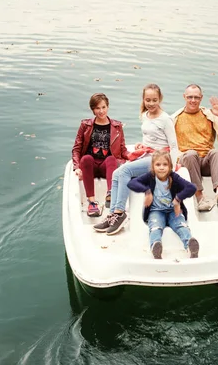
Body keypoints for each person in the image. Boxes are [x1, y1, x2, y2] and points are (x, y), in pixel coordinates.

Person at [94, 84, 180, 235]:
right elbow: (151, 137)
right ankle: (113, 214)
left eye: (154, 100)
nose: (151, 103)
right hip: (147, 153)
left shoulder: (165, 119)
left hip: (159, 158)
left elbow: (173, 145)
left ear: (160, 99)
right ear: (143, 99)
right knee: (116, 174)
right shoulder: (145, 115)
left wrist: (169, 170)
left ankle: (120, 213)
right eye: (148, 100)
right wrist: (143, 144)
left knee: (125, 170)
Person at [171, 84, 218, 211]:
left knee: (217, 152)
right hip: (187, 161)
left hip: (206, 162)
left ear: (201, 98)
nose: (193, 100)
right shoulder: (175, 118)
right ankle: (200, 197)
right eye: (190, 97)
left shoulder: (210, 115)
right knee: (191, 154)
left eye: (196, 97)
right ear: (184, 97)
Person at [128, 150, 199, 259]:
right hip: (156, 211)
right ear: (153, 166)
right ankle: (156, 246)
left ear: (170, 166)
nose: (161, 167)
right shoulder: (150, 177)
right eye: (158, 164)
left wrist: (177, 199)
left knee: (181, 225)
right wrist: (147, 191)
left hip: (172, 211)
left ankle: (190, 245)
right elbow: (131, 183)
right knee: (155, 227)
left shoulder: (174, 177)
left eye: (165, 164)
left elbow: (192, 188)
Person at [72, 93, 130, 216]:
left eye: (103, 107)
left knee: (111, 159)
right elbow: (77, 148)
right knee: (86, 158)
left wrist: (132, 156)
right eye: (97, 108)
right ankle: (92, 203)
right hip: (90, 166)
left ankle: (110, 194)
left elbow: (122, 149)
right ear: (92, 109)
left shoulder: (117, 126)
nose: (101, 111)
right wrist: (77, 167)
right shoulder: (85, 125)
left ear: (108, 107)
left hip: (107, 166)